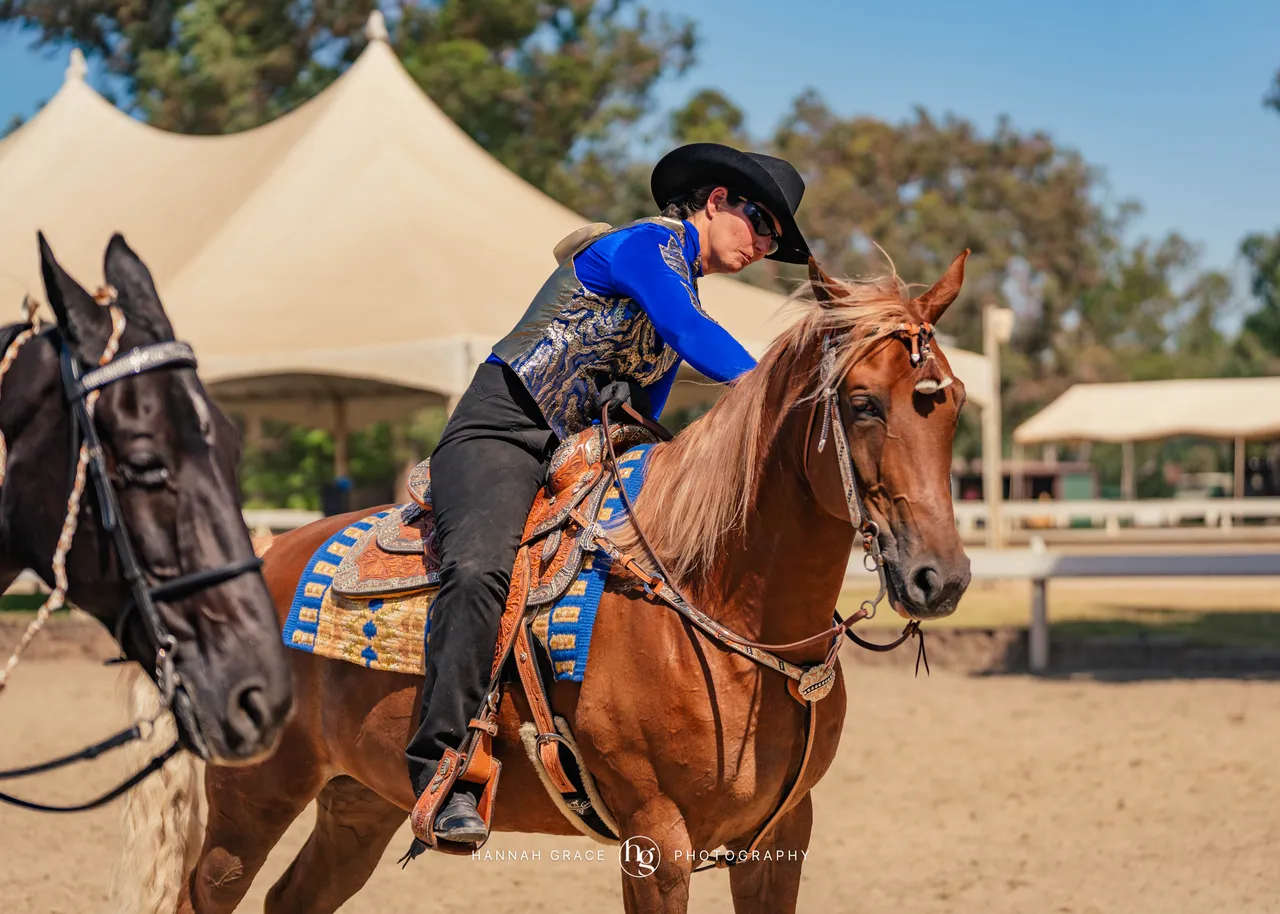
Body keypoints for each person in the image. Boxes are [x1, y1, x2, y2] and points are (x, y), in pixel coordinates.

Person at [405, 142, 814, 845]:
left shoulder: (678, 291)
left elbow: (642, 413)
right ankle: (441, 767)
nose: (764, 245)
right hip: (502, 430)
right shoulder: (645, 247)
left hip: (583, 453)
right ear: (716, 200)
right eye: (760, 222)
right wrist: (783, 397)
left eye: (775, 240)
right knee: (478, 570)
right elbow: (690, 331)